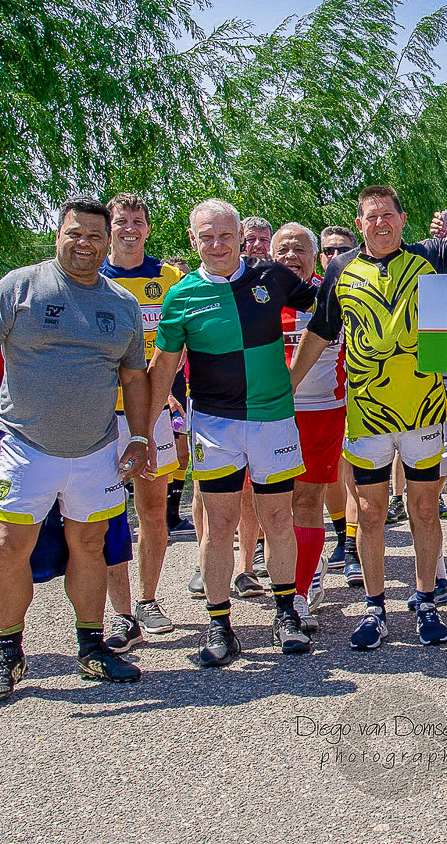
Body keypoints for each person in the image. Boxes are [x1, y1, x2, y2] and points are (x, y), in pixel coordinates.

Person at [0, 198, 152, 704]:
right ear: (57, 234)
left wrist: (140, 437)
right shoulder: (17, 288)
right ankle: (8, 653)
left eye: (95, 236)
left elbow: (135, 378)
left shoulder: (121, 305)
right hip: (25, 448)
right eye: (75, 233)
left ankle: (92, 647)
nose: (85, 244)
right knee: (10, 547)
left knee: (90, 545)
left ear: (108, 242)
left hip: (95, 450)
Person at [290, 151, 447, 652]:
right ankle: (375, 606)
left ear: (402, 220)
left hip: (425, 411)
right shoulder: (340, 268)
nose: (381, 223)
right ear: (359, 223)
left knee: (424, 510)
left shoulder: (429, 256)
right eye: (372, 217)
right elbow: (320, 334)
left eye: (389, 215)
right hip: (366, 415)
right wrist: (288, 385)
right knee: (369, 511)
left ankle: (426, 599)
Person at [148, 199, 317, 667]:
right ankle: (219, 622)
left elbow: (328, 308)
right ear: (192, 239)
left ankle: (285, 613)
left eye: (225, 235)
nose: (217, 245)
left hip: (273, 419)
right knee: (219, 523)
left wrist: (297, 371)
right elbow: (163, 367)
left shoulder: (271, 276)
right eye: (207, 237)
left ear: (240, 235)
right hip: (215, 425)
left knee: (277, 518)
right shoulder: (181, 295)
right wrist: (145, 427)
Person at [97, 193, 186, 650]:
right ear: (109, 228)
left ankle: (149, 599)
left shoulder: (169, 278)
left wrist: (169, 388)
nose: (129, 228)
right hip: (98, 414)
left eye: (138, 221)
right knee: (109, 515)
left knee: (152, 509)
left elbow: (181, 341)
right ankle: (121, 612)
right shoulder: (91, 276)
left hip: (150, 413)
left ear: (148, 228)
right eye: (121, 221)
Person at [272, 223, 344, 632]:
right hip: (271, 415)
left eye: (299, 248)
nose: (290, 256)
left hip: (324, 410)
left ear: (315, 255)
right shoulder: (260, 293)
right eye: (283, 249)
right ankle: (289, 576)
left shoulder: (331, 293)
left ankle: (302, 588)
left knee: (307, 500)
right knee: (276, 506)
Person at [316, 225, 359, 575]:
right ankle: (340, 537)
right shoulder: (313, 290)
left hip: (355, 398)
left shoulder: (360, 282)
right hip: (314, 405)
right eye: (328, 251)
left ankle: (352, 547)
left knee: (353, 475)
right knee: (328, 478)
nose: (334, 256)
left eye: (341, 249)